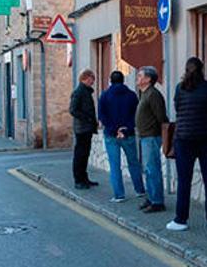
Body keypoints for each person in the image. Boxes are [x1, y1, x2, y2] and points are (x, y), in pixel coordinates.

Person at [167, 57, 207, 231]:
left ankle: (180, 220)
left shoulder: (180, 88)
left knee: (184, 181)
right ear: (202, 69)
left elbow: (177, 109)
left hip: (184, 139)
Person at [97, 71, 146, 203]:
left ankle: (119, 195)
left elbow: (102, 116)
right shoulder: (132, 95)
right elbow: (136, 114)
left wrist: (114, 129)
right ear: (123, 80)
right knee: (134, 163)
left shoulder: (105, 95)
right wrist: (126, 129)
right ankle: (140, 190)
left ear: (110, 80)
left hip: (111, 135)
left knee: (115, 165)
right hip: (128, 133)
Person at [135, 66, 168, 213]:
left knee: (152, 169)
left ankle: (157, 201)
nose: (138, 78)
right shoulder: (144, 94)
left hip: (152, 136)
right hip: (144, 136)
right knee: (147, 170)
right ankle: (151, 197)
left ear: (148, 79)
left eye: (140, 76)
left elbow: (161, 117)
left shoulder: (153, 95)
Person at [69, 68, 99, 190]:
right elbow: (73, 110)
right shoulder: (79, 92)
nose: (93, 82)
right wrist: (87, 119)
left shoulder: (85, 92)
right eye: (92, 79)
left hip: (86, 128)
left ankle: (84, 178)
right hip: (82, 128)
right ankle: (78, 180)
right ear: (85, 78)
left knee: (85, 154)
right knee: (80, 155)